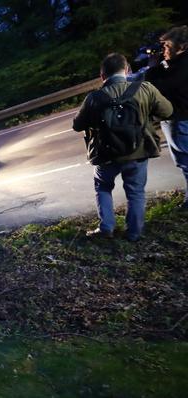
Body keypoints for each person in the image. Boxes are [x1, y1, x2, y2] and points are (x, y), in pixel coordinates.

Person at [73, 53, 173, 242]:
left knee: (103, 187)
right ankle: (133, 233)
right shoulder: (145, 89)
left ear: (102, 75)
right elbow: (167, 111)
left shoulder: (94, 98)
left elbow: (78, 125)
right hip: (139, 150)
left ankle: (106, 228)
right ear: (127, 70)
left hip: (106, 154)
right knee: (135, 192)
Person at [145, 25, 188, 209]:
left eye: (167, 46)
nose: (164, 51)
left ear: (183, 46)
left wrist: (153, 68)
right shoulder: (179, 64)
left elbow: (158, 88)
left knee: (186, 162)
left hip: (181, 119)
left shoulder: (183, 66)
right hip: (178, 119)